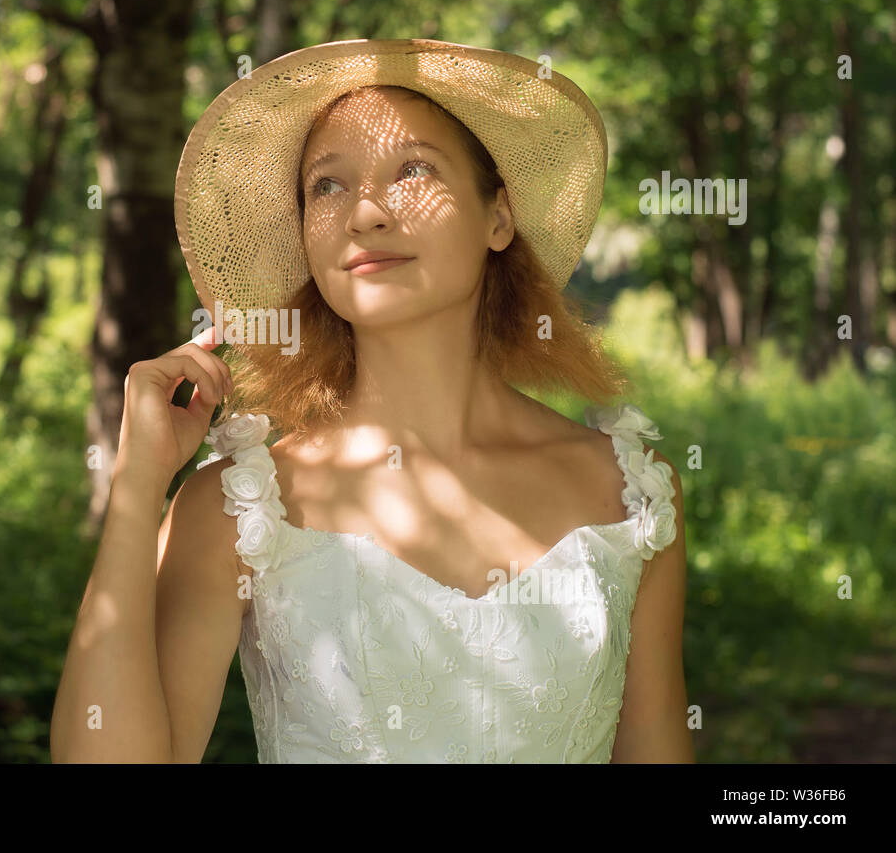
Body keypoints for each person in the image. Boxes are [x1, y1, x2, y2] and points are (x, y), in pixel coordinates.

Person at [51, 39, 692, 763]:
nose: (365, 213)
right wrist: (138, 488)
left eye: (414, 169)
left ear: (499, 218)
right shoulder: (237, 505)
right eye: (327, 185)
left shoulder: (632, 493)